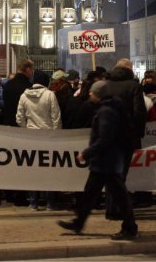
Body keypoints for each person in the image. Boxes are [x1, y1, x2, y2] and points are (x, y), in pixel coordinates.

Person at [57, 80, 138, 240]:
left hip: (108, 161)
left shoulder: (107, 111)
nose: (89, 93)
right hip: (104, 161)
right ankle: (78, 222)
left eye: (92, 92)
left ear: (99, 94)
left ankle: (130, 228)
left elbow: (104, 139)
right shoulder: (108, 108)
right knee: (89, 194)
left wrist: (86, 153)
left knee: (120, 196)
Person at [105, 59, 147, 219]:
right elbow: (139, 112)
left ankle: (111, 209)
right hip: (126, 136)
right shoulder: (134, 86)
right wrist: (138, 133)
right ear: (129, 70)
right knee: (121, 174)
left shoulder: (106, 84)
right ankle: (119, 210)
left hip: (108, 135)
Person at [16, 70, 61, 210]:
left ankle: (33, 202)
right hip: (48, 137)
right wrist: (55, 135)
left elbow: (19, 118)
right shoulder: (50, 95)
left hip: (31, 137)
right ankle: (49, 202)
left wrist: (27, 129)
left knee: (33, 169)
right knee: (49, 170)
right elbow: (56, 118)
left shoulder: (24, 96)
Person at [2, 59, 34, 127]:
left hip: (8, 122)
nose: (32, 72)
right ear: (28, 70)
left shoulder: (8, 84)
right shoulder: (29, 86)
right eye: (32, 69)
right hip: (23, 124)